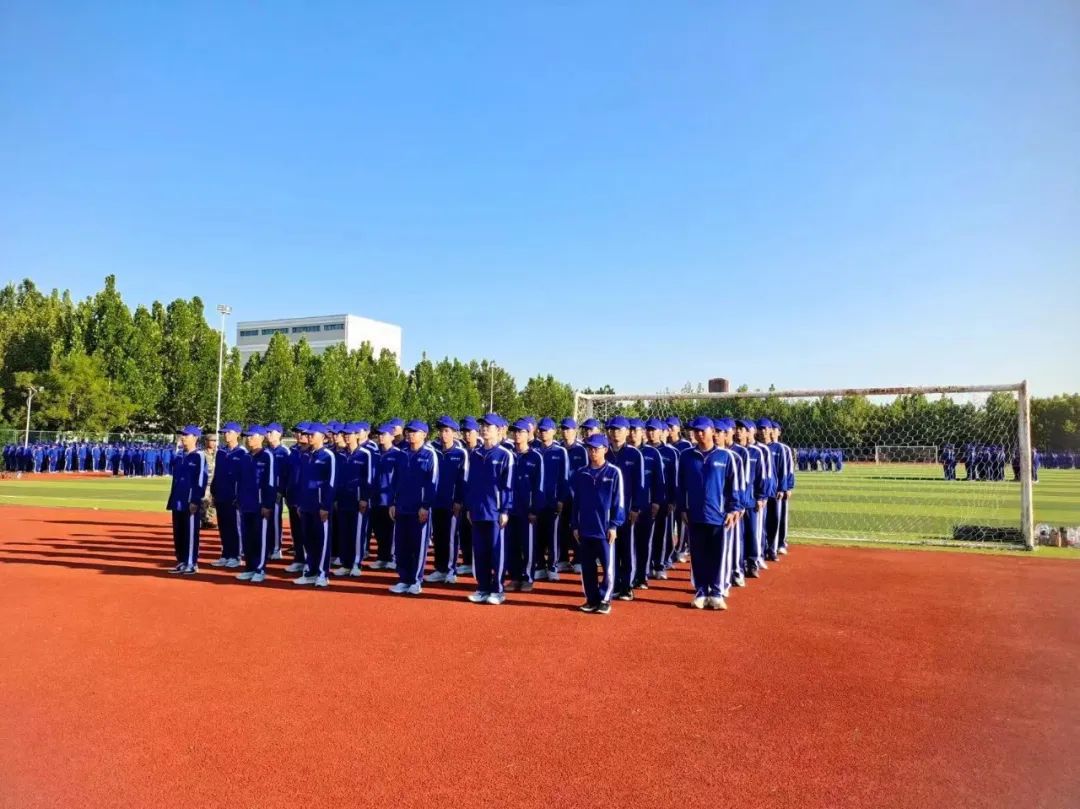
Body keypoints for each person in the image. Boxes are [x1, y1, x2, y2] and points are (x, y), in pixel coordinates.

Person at [677, 416, 740, 610]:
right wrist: (682, 508)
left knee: (718, 556)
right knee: (698, 556)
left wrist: (733, 508)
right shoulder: (686, 456)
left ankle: (717, 592)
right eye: (695, 431)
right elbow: (681, 485)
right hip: (695, 514)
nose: (698, 434)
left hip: (718, 515)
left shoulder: (726, 456)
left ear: (712, 431)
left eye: (702, 430)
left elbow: (734, 486)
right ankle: (701, 591)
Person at [570, 434, 625, 614]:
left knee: (607, 566)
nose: (592, 452)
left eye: (596, 449)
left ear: (605, 449)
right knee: (587, 567)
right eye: (590, 448)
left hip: (604, 529)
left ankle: (605, 598)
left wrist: (614, 525)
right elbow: (576, 501)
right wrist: (575, 525)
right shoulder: (581, 473)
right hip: (585, 528)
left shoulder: (614, 472)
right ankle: (591, 598)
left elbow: (619, 502)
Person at [463, 413, 514, 605]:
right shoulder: (475, 454)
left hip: (495, 512)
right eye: (482, 426)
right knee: (480, 552)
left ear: (498, 430)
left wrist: (505, 510)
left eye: (488, 426)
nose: (484, 429)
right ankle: (482, 587)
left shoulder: (505, 455)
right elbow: (470, 483)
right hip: (478, 511)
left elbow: (508, 486)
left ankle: (498, 590)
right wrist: (470, 506)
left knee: (496, 552)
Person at [388, 421, 439, 595]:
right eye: (408, 431)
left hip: (419, 509)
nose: (410, 434)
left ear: (424, 434)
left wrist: (425, 505)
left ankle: (416, 580)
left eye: (414, 432)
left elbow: (432, 483)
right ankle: (403, 579)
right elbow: (395, 481)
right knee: (402, 545)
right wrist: (392, 502)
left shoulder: (430, 455)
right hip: (402, 507)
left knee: (418, 546)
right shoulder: (401, 454)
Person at [604, 416, 645, 601]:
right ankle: (613, 583)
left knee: (627, 549)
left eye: (619, 430)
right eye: (612, 430)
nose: (615, 433)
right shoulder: (604, 453)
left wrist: (636, 507)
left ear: (627, 431)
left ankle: (627, 586)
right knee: (611, 549)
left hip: (627, 511)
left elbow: (639, 484)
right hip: (608, 512)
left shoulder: (634, 454)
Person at [426, 416, 469, 585]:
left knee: (451, 537)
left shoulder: (460, 453)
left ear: (454, 433)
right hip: (436, 502)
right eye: (441, 431)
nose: (443, 434)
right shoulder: (434, 452)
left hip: (452, 504)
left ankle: (451, 570)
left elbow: (463, 480)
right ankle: (440, 568)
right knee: (438, 536)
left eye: (446, 431)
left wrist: (458, 500)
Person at [293, 423, 336, 588]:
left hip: (320, 507)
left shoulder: (328, 456)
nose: (309, 437)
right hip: (306, 506)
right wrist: (299, 503)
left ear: (323, 437)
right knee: (308, 540)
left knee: (322, 541)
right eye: (308, 434)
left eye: (312, 434)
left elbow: (331, 482)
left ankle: (322, 574)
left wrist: (325, 505)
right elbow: (301, 482)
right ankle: (310, 572)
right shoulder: (306, 455)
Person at [505, 419, 546, 592]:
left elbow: (539, 485)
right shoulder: (508, 455)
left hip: (527, 510)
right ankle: (514, 577)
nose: (517, 435)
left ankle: (528, 577)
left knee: (528, 545)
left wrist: (535, 509)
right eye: (514, 432)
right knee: (511, 544)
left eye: (520, 432)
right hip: (510, 509)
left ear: (528, 434)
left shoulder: (536, 457)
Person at [235, 425, 276, 583]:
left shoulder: (267, 456)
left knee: (260, 538)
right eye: (248, 436)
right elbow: (240, 480)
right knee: (247, 538)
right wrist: (239, 498)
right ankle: (249, 567)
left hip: (260, 505)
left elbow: (270, 482)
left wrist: (267, 504)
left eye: (252, 436)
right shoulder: (245, 457)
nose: (249, 439)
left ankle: (260, 568)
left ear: (262, 438)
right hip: (246, 503)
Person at [332, 423, 373, 578]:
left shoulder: (365, 454)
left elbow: (368, 478)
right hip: (343, 500)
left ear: (356, 435)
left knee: (357, 533)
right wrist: (336, 498)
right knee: (344, 533)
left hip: (358, 501)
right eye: (345, 434)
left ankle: (356, 563)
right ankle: (345, 563)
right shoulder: (340, 455)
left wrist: (364, 498)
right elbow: (337, 479)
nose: (347, 437)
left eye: (349, 434)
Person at [166, 426, 208, 575]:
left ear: (195, 437)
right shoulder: (179, 455)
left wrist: (195, 500)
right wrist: (176, 448)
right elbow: (170, 465)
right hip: (177, 500)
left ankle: (191, 563)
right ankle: (182, 561)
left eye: (186, 435)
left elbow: (201, 479)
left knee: (190, 534)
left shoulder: (199, 456)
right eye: (182, 435)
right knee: (178, 534)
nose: (183, 437)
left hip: (190, 501)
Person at [534, 417, 568, 582]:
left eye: (546, 430)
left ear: (554, 431)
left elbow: (564, 478)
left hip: (553, 501)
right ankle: (540, 566)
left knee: (553, 535)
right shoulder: (534, 450)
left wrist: (561, 498)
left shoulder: (560, 451)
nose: (543, 433)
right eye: (541, 430)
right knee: (537, 535)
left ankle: (553, 566)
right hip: (537, 501)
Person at [209, 423, 246, 568]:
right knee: (223, 526)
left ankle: (236, 555)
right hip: (221, 495)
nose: (225, 435)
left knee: (235, 527)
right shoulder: (221, 452)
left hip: (234, 497)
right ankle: (225, 554)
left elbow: (243, 477)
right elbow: (217, 473)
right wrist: (213, 492)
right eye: (224, 433)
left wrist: (240, 495)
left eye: (228, 432)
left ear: (237, 434)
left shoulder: (242, 453)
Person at [558, 417, 589, 573]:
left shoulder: (581, 450)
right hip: (561, 495)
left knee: (577, 527)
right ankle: (563, 559)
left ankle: (578, 559)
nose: (565, 432)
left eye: (568, 429)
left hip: (576, 495)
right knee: (562, 527)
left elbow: (585, 472)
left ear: (575, 431)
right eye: (563, 429)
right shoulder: (558, 449)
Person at [370, 424, 403, 570]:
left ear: (392, 436)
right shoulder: (374, 453)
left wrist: (395, 499)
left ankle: (393, 557)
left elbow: (399, 478)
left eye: (384, 434)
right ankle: (382, 557)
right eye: (379, 434)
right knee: (379, 530)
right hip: (375, 499)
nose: (381, 437)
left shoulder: (398, 454)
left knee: (391, 531)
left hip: (389, 499)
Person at [457, 416, 482, 575]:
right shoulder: (461, 451)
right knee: (464, 531)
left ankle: (476, 562)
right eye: (464, 432)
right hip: (463, 496)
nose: (467, 435)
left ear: (476, 432)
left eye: (470, 432)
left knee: (477, 533)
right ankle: (466, 561)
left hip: (477, 498)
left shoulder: (480, 451)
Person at [284, 424, 310, 574]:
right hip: (292, 497)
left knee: (308, 532)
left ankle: (309, 561)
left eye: (302, 433)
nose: (299, 435)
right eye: (297, 432)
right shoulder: (293, 451)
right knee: (296, 532)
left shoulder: (312, 453)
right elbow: (287, 473)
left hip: (306, 498)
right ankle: (299, 559)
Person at [265, 423, 290, 560]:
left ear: (279, 434)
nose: (268, 435)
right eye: (267, 432)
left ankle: (276, 548)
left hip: (277, 492)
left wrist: (281, 490)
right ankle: (267, 547)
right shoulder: (266, 451)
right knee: (265, 520)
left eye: (271, 432)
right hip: (265, 491)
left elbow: (287, 473)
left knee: (275, 520)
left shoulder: (284, 452)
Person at [200, 433, 219, 529]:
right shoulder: (201, 454)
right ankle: (204, 521)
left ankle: (208, 519)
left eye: (215, 441)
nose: (214, 443)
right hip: (206, 483)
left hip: (216, 483)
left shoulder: (219, 454)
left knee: (214, 503)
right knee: (204, 502)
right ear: (206, 441)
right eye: (212, 440)